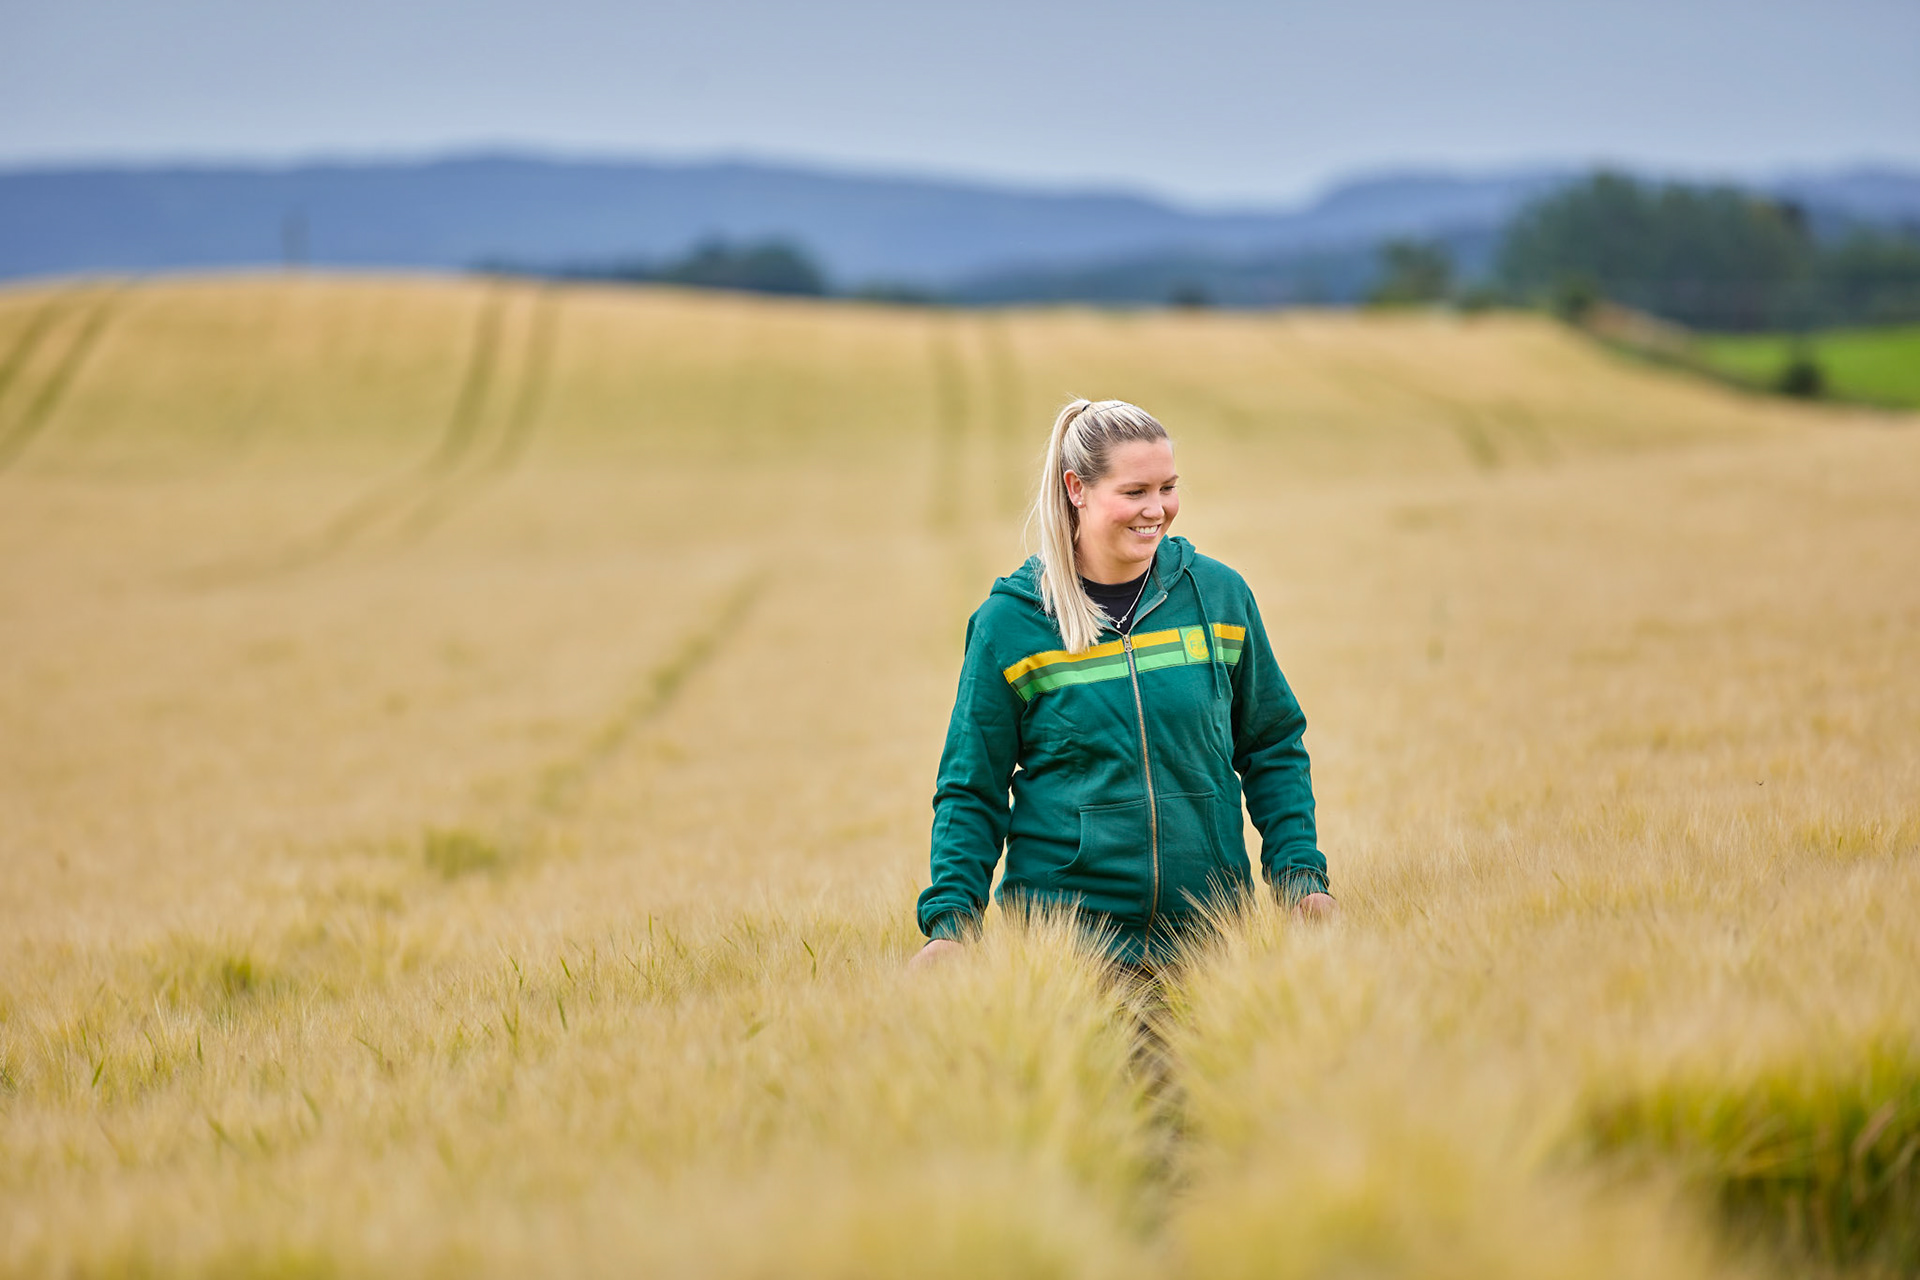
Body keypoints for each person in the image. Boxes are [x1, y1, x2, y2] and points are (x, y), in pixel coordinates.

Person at [911, 398, 1335, 973]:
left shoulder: (1220, 597)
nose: (1157, 510)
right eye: (1135, 492)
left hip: (1213, 941)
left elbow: (1272, 746)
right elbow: (972, 789)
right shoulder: (1009, 626)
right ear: (1076, 489)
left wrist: (1299, 878)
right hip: (1065, 956)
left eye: (1168, 487)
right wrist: (952, 926)